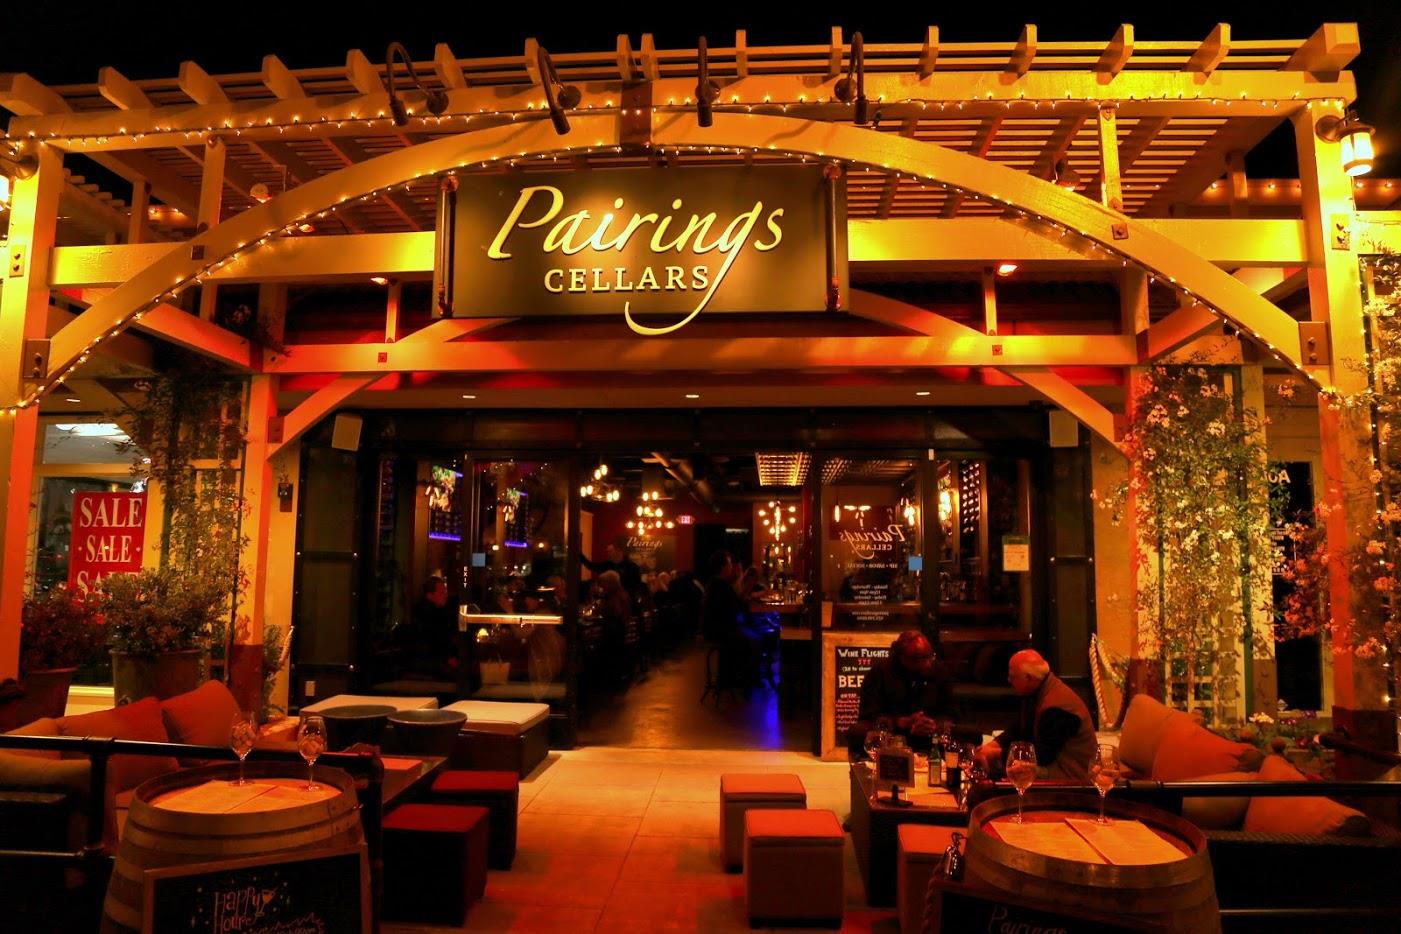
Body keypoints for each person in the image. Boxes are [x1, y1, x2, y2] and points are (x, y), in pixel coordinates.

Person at [975, 649, 1097, 782]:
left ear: (1029, 678)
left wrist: (996, 754)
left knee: (1012, 772)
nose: (1009, 680)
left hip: (1069, 774)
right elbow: (1018, 729)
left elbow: (1042, 755)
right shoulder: (1039, 691)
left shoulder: (1058, 707)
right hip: (1051, 763)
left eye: (1013, 676)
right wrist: (993, 745)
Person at [852, 630, 956, 753]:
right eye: (919, 659)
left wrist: (934, 724)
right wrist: (899, 722)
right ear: (902, 657)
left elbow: (950, 711)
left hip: (929, 733)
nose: (927, 664)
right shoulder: (880, 672)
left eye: (929, 656)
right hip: (894, 733)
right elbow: (868, 714)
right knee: (858, 731)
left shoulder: (939, 671)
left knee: (963, 734)